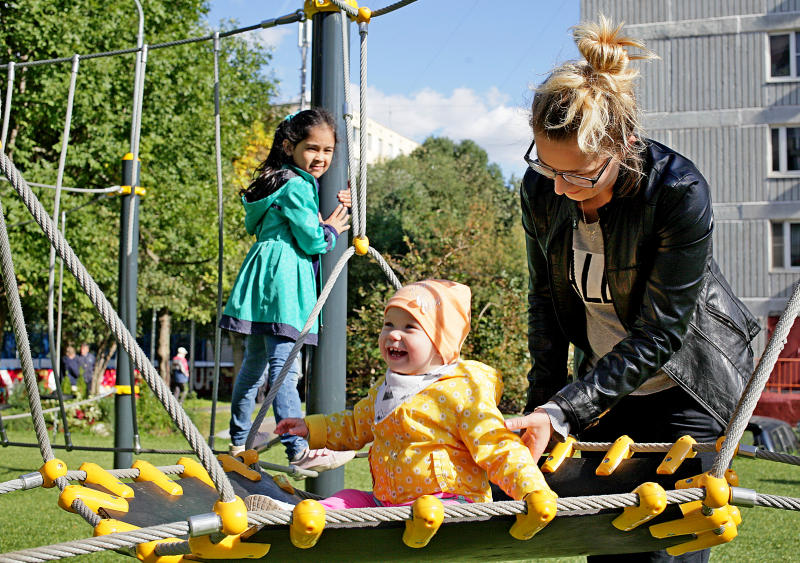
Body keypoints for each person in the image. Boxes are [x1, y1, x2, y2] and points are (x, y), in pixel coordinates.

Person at [504, 16, 760, 563]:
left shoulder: (676, 191)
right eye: (547, 167)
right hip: (602, 395)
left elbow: (661, 331)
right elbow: (545, 305)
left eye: (580, 175)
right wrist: (541, 410)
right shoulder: (542, 191)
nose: (561, 189)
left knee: (666, 550)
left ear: (621, 147)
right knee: (606, 546)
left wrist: (563, 410)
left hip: (687, 389)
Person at [276, 280, 552, 509]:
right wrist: (310, 427)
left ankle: (320, 515)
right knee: (346, 498)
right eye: (388, 324)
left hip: (452, 501)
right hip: (389, 502)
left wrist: (532, 490)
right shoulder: (386, 388)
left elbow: (497, 447)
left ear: (441, 342)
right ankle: (308, 514)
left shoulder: (462, 390)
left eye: (410, 327)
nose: (394, 335)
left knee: (432, 508)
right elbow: (354, 425)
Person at [220, 108, 354, 472]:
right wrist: (331, 228)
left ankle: (238, 438)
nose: (321, 158)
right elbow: (312, 240)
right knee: (284, 370)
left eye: (327, 151)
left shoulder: (274, 182)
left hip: (261, 277)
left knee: (253, 367)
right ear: (289, 146)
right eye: (312, 149)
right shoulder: (296, 185)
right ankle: (298, 449)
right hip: (285, 281)